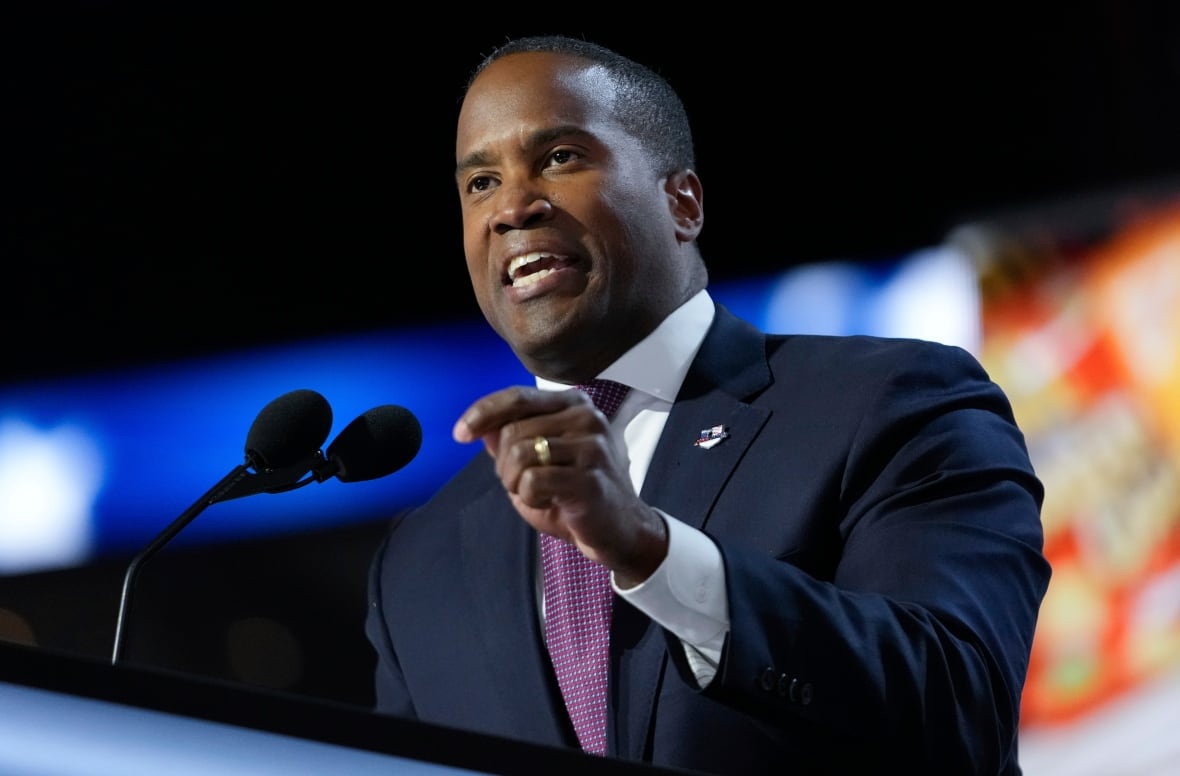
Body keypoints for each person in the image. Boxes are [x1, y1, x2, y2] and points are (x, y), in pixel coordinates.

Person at [364, 34, 1051, 775]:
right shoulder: (417, 563)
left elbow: (960, 707)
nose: (511, 208)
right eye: (480, 184)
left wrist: (647, 548)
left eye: (559, 158)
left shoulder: (887, 403)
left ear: (682, 203)